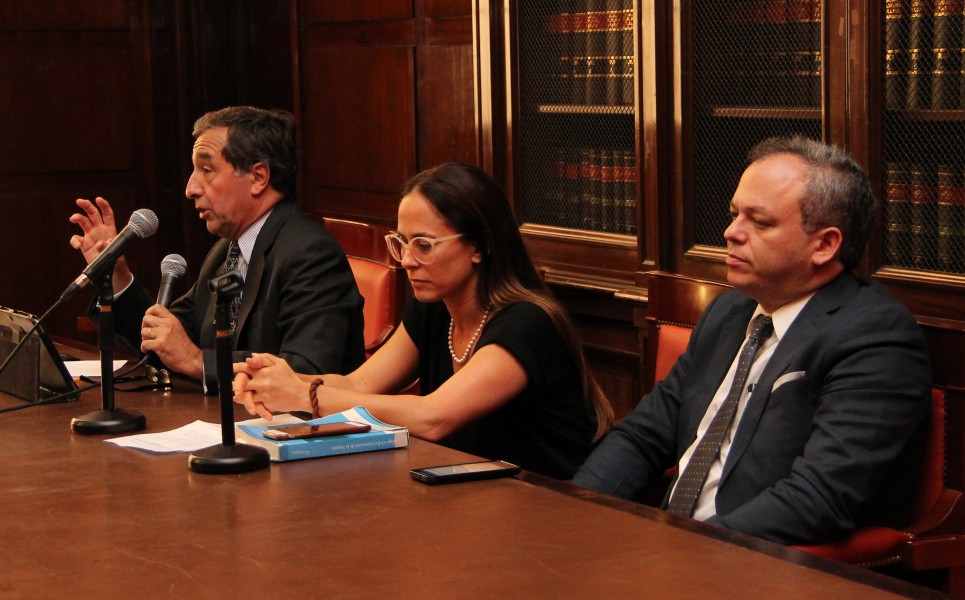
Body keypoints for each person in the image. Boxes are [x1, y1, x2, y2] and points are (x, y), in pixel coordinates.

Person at [572, 136, 931, 545]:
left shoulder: (875, 338)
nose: (730, 232)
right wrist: (576, 511)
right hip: (670, 548)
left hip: (759, 566)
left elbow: (818, 499)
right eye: (734, 215)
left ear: (825, 245)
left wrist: (684, 550)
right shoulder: (729, 313)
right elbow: (643, 438)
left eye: (759, 223)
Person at [232, 162, 614, 479]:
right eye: (401, 242)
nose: (408, 261)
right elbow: (357, 382)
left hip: (549, 508)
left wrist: (303, 396)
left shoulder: (528, 323)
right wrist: (275, 377)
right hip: (468, 493)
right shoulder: (433, 307)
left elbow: (434, 417)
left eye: (424, 245)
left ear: (480, 246)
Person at [69, 106, 365, 393]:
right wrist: (117, 277)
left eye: (206, 170)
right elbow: (168, 343)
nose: (190, 188)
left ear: (258, 177)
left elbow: (308, 373)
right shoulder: (226, 252)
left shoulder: (310, 253)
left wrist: (198, 362)